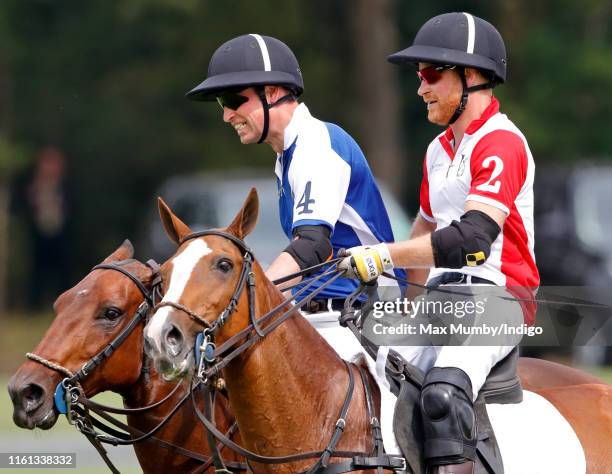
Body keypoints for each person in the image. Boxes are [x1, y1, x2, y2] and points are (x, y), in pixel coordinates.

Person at [340, 12, 540, 472]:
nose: (421, 88)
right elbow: (426, 234)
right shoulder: (437, 150)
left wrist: (379, 254)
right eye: (419, 77)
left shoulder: (502, 142)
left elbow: (470, 239)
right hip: (440, 298)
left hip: (499, 297)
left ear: (472, 77)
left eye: (431, 75)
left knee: (443, 393)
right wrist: (397, 299)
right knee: (368, 372)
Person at [186, 34, 405, 359]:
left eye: (233, 100)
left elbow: (312, 246)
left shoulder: (316, 144)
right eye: (223, 104)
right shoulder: (288, 155)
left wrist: (247, 299)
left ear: (272, 92)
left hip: (363, 318)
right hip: (322, 315)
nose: (227, 115)